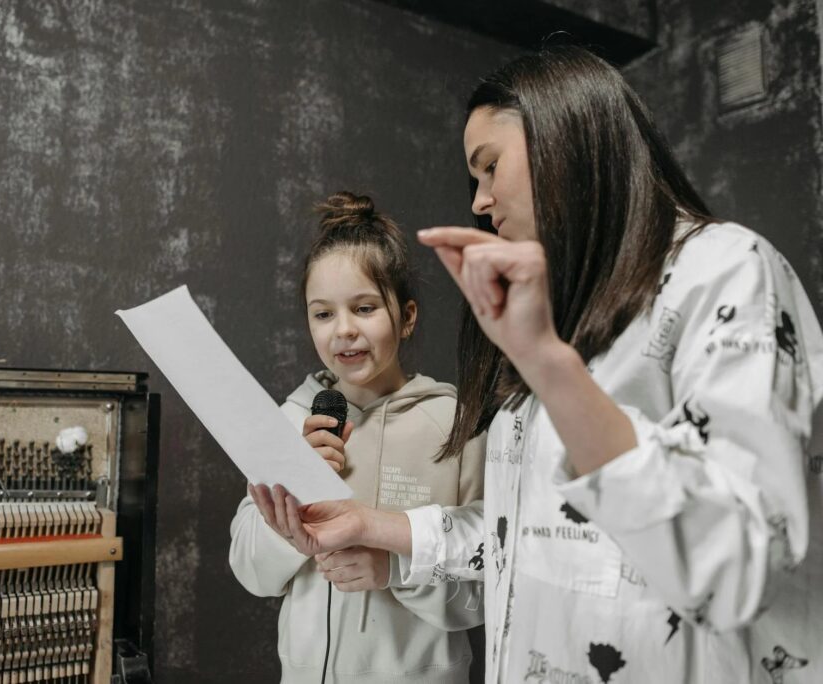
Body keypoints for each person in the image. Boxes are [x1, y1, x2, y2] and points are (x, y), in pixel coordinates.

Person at [251, 47, 823, 683]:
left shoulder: (724, 274)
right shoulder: (554, 327)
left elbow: (738, 564)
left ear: (566, 139)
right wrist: (374, 527)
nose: (481, 202)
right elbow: (514, 540)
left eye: (490, 167)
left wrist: (549, 364)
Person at [230, 191, 486, 682]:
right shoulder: (291, 419)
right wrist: (293, 492)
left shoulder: (455, 425)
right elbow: (249, 569)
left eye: (364, 308)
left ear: (406, 317)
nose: (342, 331)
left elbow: (484, 585)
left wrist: (395, 569)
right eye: (323, 314)